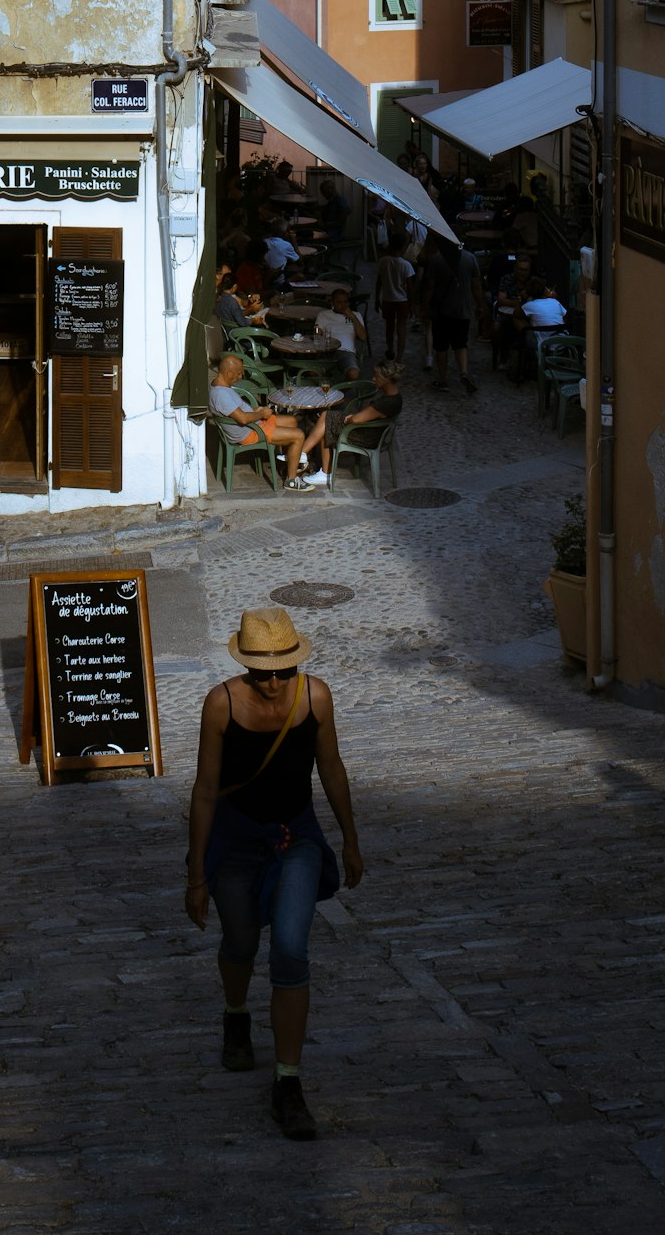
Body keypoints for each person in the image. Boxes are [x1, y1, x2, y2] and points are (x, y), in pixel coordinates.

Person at [185, 606, 362, 1139]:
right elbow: (205, 789)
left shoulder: (316, 697)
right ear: (245, 666)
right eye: (261, 670)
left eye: (282, 668)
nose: (272, 680)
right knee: (239, 940)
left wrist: (350, 839)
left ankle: (288, 1084)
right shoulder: (221, 704)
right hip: (237, 838)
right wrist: (196, 875)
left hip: (297, 837)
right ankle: (236, 1014)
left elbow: (330, 767)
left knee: (289, 949)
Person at [209, 354, 313, 492]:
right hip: (249, 431)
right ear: (228, 373)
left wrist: (254, 410)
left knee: (292, 420)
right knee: (298, 435)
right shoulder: (220, 395)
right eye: (238, 374)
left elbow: (236, 411)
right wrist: (261, 414)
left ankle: (287, 464)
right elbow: (243, 419)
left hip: (252, 423)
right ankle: (292, 480)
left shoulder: (221, 385)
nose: (240, 377)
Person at [300, 361, 404, 484]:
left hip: (369, 437)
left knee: (326, 421)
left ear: (386, 380)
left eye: (376, 376)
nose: (373, 378)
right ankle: (307, 457)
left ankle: (308, 459)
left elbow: (357, 419)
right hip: (373, 431)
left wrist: (349, 418)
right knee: (326, 418)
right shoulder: (396, 397)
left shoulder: (386, 403)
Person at [420, 237, 483, 394]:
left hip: (440, 310)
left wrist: (425, 306)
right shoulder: (470, 258)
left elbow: (429, 286)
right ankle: (463, 373)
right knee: (461, 344)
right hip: (462, 310)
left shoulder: (437, 259)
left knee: (441, 346)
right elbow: (476, 285)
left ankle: (443, 379)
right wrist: (481, 305)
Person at [375, 231, 415, 361]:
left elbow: (379, 282)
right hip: (402, 301)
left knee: (389, 326)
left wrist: (376, 298)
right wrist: (412, 304)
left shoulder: (383, 261)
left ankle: (390, 349)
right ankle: (399, 356)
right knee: (401, 327)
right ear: (403, 247)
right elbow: (409, 287)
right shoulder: (406, 265)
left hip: (387, 299)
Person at [315, 289, 365, 381]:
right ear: (332, 303)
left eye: (345, 302)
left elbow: (363, 337)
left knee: (354, 374)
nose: (343, 305)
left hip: (346, 352)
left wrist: (353, 318)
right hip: (328, 351)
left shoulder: (356, 315)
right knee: (312, 372)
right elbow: (317, 333)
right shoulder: (323, 315)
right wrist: (318, 332)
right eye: (339, 302)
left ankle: (338, 393)